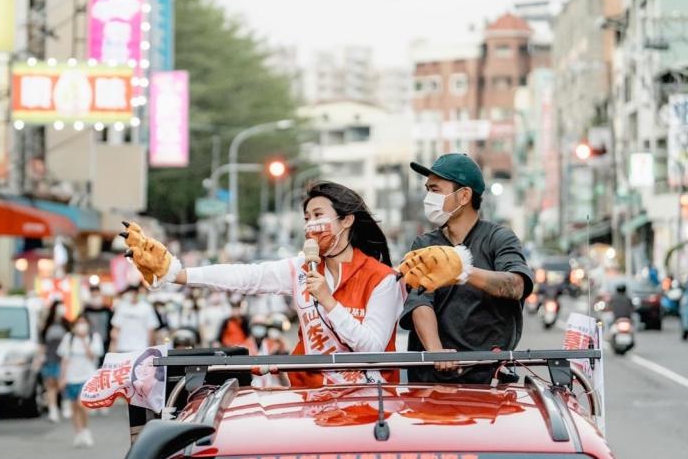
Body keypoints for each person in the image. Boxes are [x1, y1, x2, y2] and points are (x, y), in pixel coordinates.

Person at [121, 181, 403, 386]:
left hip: (369, 400)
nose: (310, 225)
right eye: (306, 218)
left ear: (347, 221)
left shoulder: (382, 279)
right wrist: (179, 273)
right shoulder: (300, 268)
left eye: (318, 216)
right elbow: (246, 277)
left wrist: (328, 301)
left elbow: (373, 350)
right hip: (310, 398)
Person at [399, 153, 534, 384]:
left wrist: (461, 271)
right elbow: (420, 301)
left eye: (435, 190)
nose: (428, 197)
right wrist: (435, 351)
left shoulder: (499, 238)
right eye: (428, 190)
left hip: (488, 378)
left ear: (463, 196)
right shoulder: (425, 244)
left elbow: (516, 285)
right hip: (431, 381)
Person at [57, 314, 104, 447]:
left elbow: (92, 356)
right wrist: (62, 377)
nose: (81, 325)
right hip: (71, 377)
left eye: (84, 322)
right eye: (79, 323)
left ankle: (85, 430)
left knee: (82, 404)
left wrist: (84, 340)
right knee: (74, 407)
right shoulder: (69, 338)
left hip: (87, 377)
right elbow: (64, 359)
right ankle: (78, 433)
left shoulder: (93, 338)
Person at [40, 301, 69, 422]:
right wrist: (41, 357)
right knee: (50, 385)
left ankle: (66, 406)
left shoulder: (66, 324)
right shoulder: (47, 325)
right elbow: (42, 343)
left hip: (63, 360)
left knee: (62, 384)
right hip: (49, 358)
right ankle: (53, 410)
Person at [110, 285, 160, 353]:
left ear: (138, 293)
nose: (132, 295)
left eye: (134, 293)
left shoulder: (147, 307)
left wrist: (151, 349)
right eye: (130, 293)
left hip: (141, 347)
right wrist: (112, 350)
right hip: (123, 347)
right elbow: (115, 330)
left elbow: (151, 329)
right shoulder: (122, 307)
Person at [82, 285, 114, 353]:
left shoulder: (107, 310)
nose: (95, 297)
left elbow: (112, 327)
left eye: (97, 295)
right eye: (93, 296)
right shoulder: (86, 311)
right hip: (90, 343)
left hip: (105, 342)